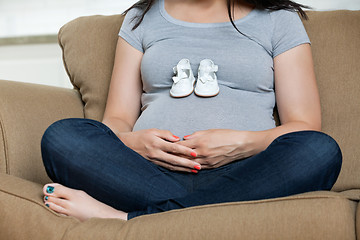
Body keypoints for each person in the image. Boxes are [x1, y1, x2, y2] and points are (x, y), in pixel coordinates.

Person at [41, 0, 342, 222]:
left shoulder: (279, 19)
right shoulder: (140, 18)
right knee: (62, 137)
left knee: (319, 150)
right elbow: (117, 119)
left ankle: (126, 219)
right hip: (145, 172)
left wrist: (240, 144)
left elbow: (304, 125)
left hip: (248, 172)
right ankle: (204, 211)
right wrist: (135, 143)